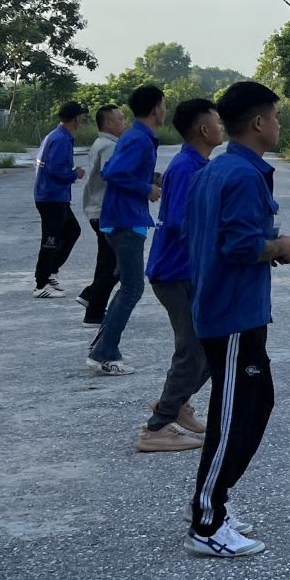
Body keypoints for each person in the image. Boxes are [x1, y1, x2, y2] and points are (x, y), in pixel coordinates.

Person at [185, 81, 290, 559]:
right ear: (257, 124)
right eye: (274, 117)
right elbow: (239, 246)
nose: (277, 124)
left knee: (257, 405)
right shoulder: (242, 175)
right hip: (231, 315)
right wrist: (280, 248)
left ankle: (218, 503)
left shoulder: (221, 168)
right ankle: (206, 520)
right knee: (232, 418)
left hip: (236, 310)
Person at [136, 98, 222, 454]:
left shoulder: (196, 163)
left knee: (206, 347)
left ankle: (174, 405)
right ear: (204, 130)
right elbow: (179, 223)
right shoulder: (187, 167)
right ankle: (156, 427)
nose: (222, 126)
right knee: (192, 350)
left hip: (185, 271)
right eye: (217, 121)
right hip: (173, 273)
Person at [87, 84, 166, 377]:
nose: (165, 111)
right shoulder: (138, 138)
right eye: (164, 105)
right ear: (157, 107)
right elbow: (114, 172)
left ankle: (103, 346)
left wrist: (153, 179)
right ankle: (105, 352)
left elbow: (125, 171)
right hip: (124, 220)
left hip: (126, 218)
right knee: (132, 288)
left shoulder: (139, 136)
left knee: (127, 287)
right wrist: (146, 188)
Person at [32, 101, 87, 299]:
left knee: (72, 231)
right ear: (76, 119)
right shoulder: (61, 139)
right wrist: (75, 174)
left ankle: (50, 272)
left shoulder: (56, 136)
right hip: (52, 197)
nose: (83, 119)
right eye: (81, 116)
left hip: (53, 196)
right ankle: (41, 284)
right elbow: (55, 170)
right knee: (50, 240)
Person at [77, 104, 126, 325]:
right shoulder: (109, 146)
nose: (125, 122)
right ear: (108, 123)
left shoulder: (103, 143)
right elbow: (112, 174)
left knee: (108, 262)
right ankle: (94, 311)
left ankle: (90, 296)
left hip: (99, 210)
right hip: (105, 211)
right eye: (121, 118)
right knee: (114, 265)